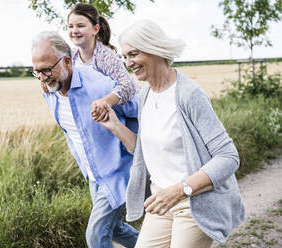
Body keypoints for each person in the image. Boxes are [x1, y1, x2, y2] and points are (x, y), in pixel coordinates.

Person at [97, 19, 245, 248]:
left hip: (193, 202)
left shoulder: (189, 94)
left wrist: (179, 190)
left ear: (154, 49)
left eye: (134, 54)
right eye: (125, 57)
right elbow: (146, 151)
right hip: (162, 201)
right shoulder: (144, 96)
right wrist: (114, 125)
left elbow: (228, 157)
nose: (128, 63)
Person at [31, 31, 139, 248]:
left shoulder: (101, 86)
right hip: (92, 174)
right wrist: (49, 78)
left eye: (46, 70)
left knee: (96, 235)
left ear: (68, 61)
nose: (42, 78)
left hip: (118, 171)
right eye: (36, 72)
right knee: (114, 228)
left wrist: (135, 152)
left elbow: (138, 109)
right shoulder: (50, 90)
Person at [67, 3, 139, 122]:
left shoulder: (105, 56)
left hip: (131, 114)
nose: (74, 31)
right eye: (70, 26)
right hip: (106, 114)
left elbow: (128, 85)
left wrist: (106, 101)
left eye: (80, 26)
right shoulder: (71, 57)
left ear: (95, 29)